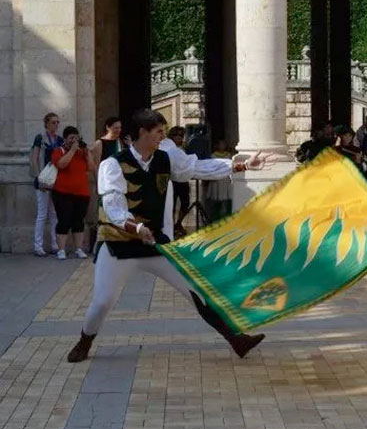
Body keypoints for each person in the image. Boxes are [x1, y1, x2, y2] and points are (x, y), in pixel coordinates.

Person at [66, 109, 273, 364]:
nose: (164, 137)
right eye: (159, 132)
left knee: (197, 290)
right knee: (102, 302)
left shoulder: (166, 158)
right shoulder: (113, 164)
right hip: (119, 246)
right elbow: (113, 205)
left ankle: (236, 339)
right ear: (143, 132)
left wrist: (239, 165)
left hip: (155, 245)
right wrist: (135, 228)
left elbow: (196, 167)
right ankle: (85, 341)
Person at [51, 126, 96, 260]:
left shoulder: (82, 153)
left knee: (78, 222)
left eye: (76, 138)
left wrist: (87, 153)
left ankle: (78, 249)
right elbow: (61, 164)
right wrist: (71, 150)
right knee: (64, 220)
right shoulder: (59, 151)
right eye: (71, 138)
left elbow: (92, 168)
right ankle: (61, 250)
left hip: (81, 192)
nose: (74, 141)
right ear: (65, 139)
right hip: (62, 192)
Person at [30, 112, 64, 257]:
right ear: (47, 123)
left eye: (57, 122)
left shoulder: (60, 140)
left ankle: (54, 244)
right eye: (53, 122)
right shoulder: (40, 138)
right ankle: (38, 246)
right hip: (43, 179)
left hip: (55, 180)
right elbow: (34, 158)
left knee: (54, 213)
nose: (56, 125)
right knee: (42, 213)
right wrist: (39, 178)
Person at [167, 126, 190, 236]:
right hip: (172, 181)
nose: (180, 139)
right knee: (171, 205)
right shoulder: (168, 148)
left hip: (183, 180)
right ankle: (170, 226)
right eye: (177, 136)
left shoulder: (183, 148)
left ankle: (178, 224)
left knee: (185, 204)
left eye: (181, 136)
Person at [207, 139, 234, 221]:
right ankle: (214, 214)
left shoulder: (228, 155)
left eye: (224, 144)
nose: (222, 146)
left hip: (225, 178)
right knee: (216, 196)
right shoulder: (213, 155)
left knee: (226, 196)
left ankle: (225, 212)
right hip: (217, 178)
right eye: (221, 144)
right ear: (217, 145)